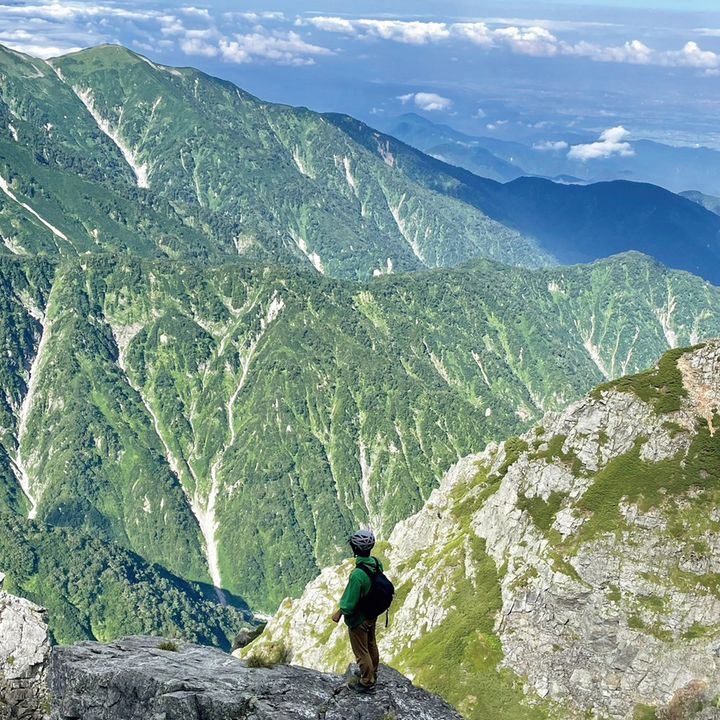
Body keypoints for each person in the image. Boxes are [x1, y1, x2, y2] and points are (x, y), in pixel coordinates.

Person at [331, 529, 384, 693]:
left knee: (361, 651)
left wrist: (339, 612)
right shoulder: (376, 563)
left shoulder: (357, 575)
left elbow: (349, 604)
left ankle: (367, 681)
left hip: (359, 618)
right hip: (372, 613)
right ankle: (373, 671)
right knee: (371, 643)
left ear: (355, 549)